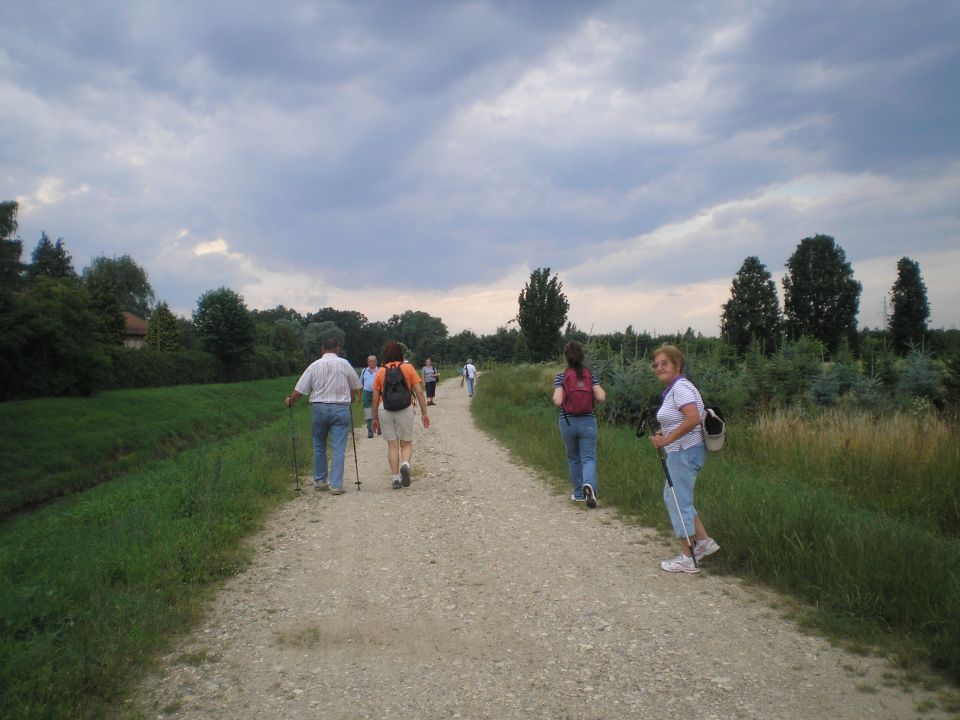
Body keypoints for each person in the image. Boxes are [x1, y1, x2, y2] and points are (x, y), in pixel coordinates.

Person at [649, 344, 720, 573]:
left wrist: (667, 441)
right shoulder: (678, 388)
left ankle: (687, 558)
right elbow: (682, 419)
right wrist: (666, 433)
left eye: (664, 363)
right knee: (680, 499)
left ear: (677, 365)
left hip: (684, 452)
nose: (659, 368)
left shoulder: (680, 388)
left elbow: (692, 418)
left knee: (676, 501)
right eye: (656, 365)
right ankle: (705, 543)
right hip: (686, 450)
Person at [285, 338, 361, 495]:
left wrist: (290, 400)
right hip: (340, 408)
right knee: (338, 447)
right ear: (338, 349)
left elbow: (300, 389)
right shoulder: (345, 364)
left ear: (322, 350)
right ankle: (336, 485)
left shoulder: (314, 366)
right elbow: (355, 385)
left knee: (319, 444)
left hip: (319, 408)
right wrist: (350, 397)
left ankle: (320, 481)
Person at [552, 341, 606, 508]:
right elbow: (602, 397)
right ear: (582, 356)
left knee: (573, 458)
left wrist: (558, 394)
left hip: (567, 421)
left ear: (565, 358)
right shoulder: (590, 375)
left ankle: (578, 493)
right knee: (589, 458)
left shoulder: (562, 377)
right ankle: (589, 485)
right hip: (588, 421)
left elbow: (558, 400)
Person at [372, 341, 431, 489]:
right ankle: (405, 464)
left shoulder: (380, 371)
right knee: (406, 442)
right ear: (401, 353)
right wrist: (425, 413)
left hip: (385, 409)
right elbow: (419, 392)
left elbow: (374, 397)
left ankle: (396, 478)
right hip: (405, 409)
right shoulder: (408, 368)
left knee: (392, 445)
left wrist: (374, 418)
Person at [359, 355, 379, 437]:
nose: (371, 363)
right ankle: (370, 430)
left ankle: (379, 427)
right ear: (367, 362)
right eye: (370, 361)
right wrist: (360, 396)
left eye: (373, 361)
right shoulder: (364, 371)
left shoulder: (379, 370)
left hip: (377, 392)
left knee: (378, 411)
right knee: (368, 412)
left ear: (376, 362)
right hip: (366, 393)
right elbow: (360, 384)